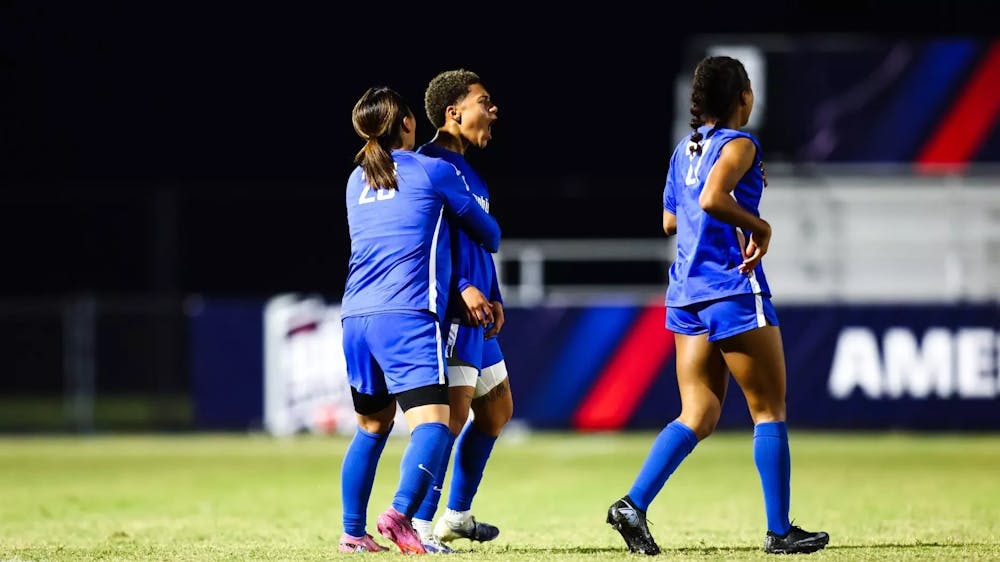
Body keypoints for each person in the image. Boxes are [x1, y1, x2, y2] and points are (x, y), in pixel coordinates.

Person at [606, 55, 830, 556]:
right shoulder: (741, 143)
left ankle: (632, 505)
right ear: (743, 97)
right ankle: (779, 532)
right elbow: (712, 199)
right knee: (769, 409)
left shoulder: (683, 150)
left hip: (687, 295)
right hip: (731, 287)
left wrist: (718, 213)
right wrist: (759, 225)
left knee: (699, 413)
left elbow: (670, 221)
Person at [338, 86, 501, 554]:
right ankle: (401, 517)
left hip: (354, 315)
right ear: (408, 124)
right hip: (406, 313)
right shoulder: (432, 170)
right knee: (436, 423)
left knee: (371, 427)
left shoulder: (356, 180)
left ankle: (353, 533)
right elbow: (488, 232)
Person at [409, 69, 511, 554]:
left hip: (479, 311)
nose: (492, 111)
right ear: (453, 112)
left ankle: (457, 515)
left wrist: (494, 294)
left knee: (497, 409)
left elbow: (478, 242)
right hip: (454, 309)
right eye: (483, 102)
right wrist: (464, 287)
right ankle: (423, 525)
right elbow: (432, 242)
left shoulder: (468, 171)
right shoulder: (428, 165)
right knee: (449, 418)